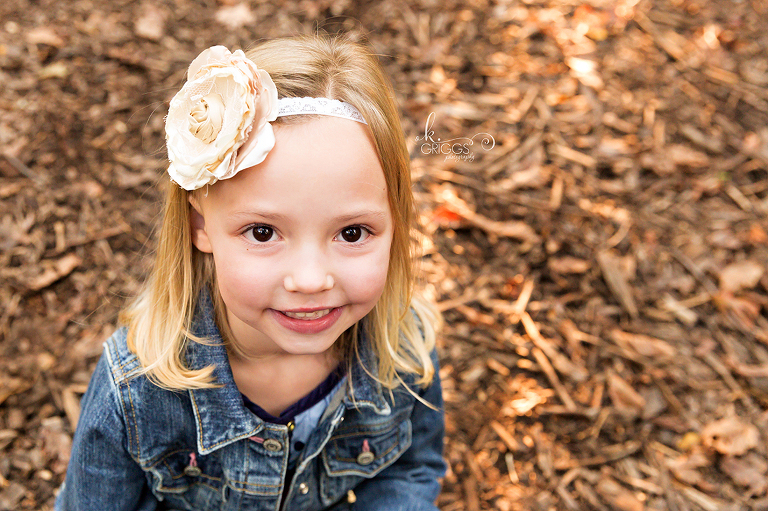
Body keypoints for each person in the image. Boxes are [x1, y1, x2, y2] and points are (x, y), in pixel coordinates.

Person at [54, 35, 446, 511]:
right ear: (202, 224)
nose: (309, 279)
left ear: (395, 222)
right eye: (263, 233)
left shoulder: (400, 352)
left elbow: (408, 469)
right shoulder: (138, 389)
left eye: (352, 233)